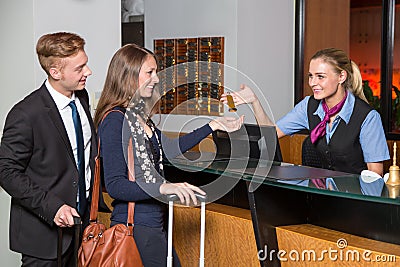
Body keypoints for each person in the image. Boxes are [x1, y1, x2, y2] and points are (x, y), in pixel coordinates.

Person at [93, 43, 244, 266]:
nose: (156, 79)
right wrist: (163, 187)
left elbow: (168, 148)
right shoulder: (115, 121)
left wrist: (212, 125)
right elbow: (115, 185)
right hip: (135, 227)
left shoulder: (139, 117)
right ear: (128, 75)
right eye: (150, 72)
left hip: (153, 223)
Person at [0, 32, 104, 266]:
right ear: (55, 72)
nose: (88, 72)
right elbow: (6, 171)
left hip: (81, 229)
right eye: (80, 68)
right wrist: (53, 207)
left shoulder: (83, 98)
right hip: (43, 238)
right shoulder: (25, 114)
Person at [222, 48, 389, 176]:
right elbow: (270, 134)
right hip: (320, 197)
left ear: (341, 77)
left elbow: (374, 175)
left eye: (320, 76)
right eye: (311, 76)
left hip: (355, 202)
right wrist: (254, 101)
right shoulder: (309, 105)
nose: (313, 83)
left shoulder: (368, 117)